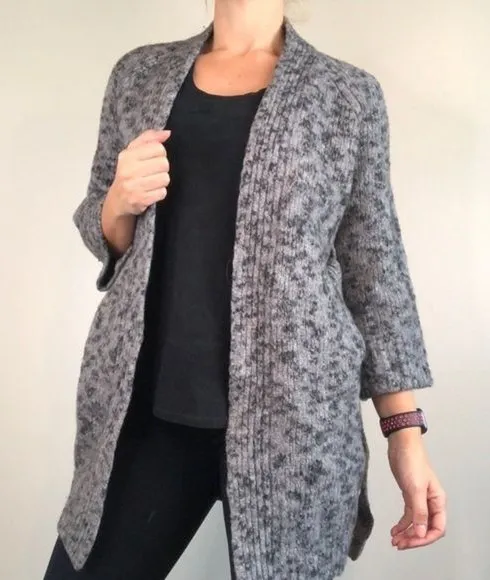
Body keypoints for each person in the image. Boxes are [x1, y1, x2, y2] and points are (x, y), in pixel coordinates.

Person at [43, 0, 447, 578]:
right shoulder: (139, 73)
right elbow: (102, 228)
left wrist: (404, 434)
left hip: (297, 429)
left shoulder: (347, 95)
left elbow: (375, 268)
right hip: (147, 416)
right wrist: (117, 202)